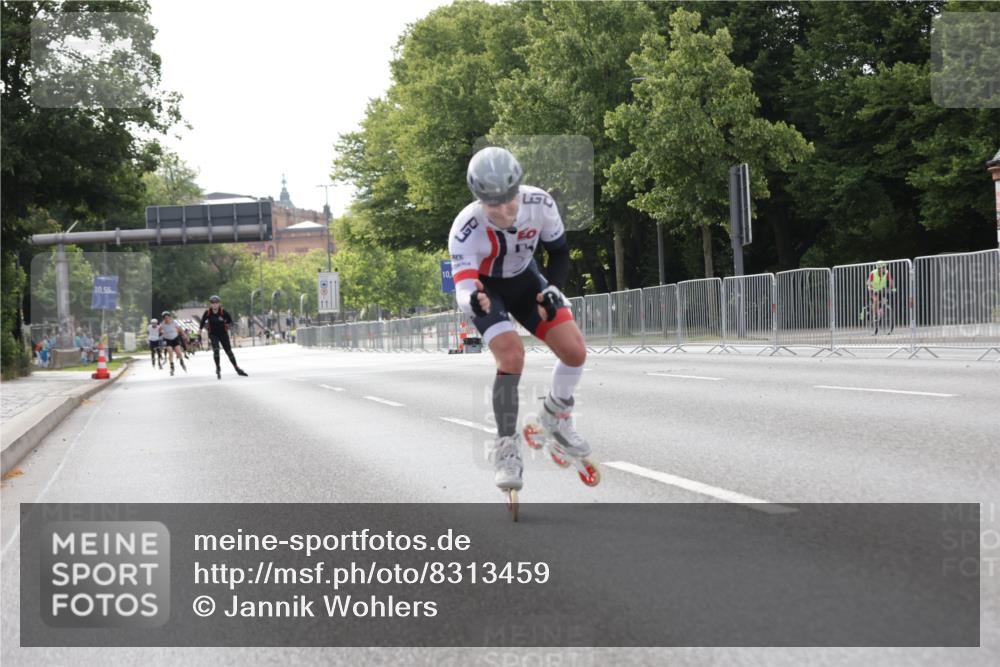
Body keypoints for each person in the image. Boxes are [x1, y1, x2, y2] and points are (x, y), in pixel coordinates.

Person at [449, 146, 591, 493]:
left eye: (509, 198)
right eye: (492, 203)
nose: (504, 209)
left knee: (575, 351)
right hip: (488, 290)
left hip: (527, 282)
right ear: (479, 199)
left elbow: (558, 253)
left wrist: (555, 289)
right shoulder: (465, 229)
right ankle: (506, 447)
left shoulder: (540, 203)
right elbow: (465, 288)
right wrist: (475, 302)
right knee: (512, 355)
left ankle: (555, 415)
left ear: (519, 189)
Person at [199, 295, 248, 379]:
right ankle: (218, 367)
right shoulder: (207, 312)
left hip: (223, 334)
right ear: (210, 304)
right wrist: (199, 332)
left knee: (229, 351)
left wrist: (227, 324)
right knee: (216, 350)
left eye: (216, 303)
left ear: (219, 304)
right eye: (213, 303)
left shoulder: (223, 312)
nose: (214, 305)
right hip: (213, 334)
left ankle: (237, 368)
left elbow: (230, 322)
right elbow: (202, 322)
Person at [866, 260, 896, 334]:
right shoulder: (873, 273)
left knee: (885, 301)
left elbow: (891, 281)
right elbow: (868, 283)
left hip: (882, 290)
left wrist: (894, 289)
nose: (884, 268)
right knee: (875, 301)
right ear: (879, 268)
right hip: (874, 290)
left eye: (884, 267)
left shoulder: (886, 272)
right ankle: (875, 317)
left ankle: (883, 311)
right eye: (882, 267)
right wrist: (870, 288)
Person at [158, 311, 188, 376]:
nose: (167, 319)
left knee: (179, 352)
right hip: (168, 340)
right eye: (165, 318)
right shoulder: (162, 324)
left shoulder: (174, 323)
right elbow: (159, 331)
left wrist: (184, 335)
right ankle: (172, 367)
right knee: (170, 353)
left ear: (170, 317)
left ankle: (181, 362)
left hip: (175, 339)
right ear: (163, 319)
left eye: (168, 317)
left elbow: (180, 329)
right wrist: (161, 332)